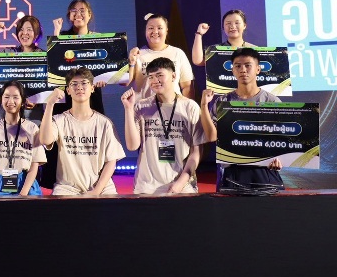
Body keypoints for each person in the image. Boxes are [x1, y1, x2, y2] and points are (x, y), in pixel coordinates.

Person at [200, 47, 283, 192]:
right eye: (238, 66)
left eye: (248, 65)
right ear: (233, 71)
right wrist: (203, 105)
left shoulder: (272, 101)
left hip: (264, 170)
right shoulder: (223, 101)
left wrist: (279, 159)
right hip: (232, 171)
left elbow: (282, 139)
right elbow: (212, 136)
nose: (243, 70)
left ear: (258, 69)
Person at [121, 57, 205, 194]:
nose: (155, 81)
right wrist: (128, 109)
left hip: (182, 186)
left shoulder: (190, 107)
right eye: (151, 77)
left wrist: (181, 183)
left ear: (173, 76)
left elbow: (196, 152)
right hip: (147, 186)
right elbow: (132, 146)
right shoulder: (141, 107)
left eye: (160, 75)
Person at [39, 68, 125, 196]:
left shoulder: (104, 123)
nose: (79, 87)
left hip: (101, 187)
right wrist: (50, 104)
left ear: (92, 88)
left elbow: (111, 161)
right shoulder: (59, 120)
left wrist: (96, 191)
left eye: (84, 83)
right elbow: (45, 140)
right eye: (74, 84)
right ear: (68, 90)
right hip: (67, 187)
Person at [51, 0, 107, 114]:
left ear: (89, 15)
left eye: (82, 10)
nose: (78, 14)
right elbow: (55, 64)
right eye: (74, 11)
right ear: (69, 16)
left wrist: (104, 77)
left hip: (91, 96)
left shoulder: (98, 39)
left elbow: (105, 66)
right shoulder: (62, 36)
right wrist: (56, 32)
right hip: (66, 95)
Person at [127, 13, 195, 102]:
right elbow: (125, 82)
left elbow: (187, 86)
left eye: (159, 28)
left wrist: (187, 107)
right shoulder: (136, 55)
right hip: (144, 108)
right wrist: (131, 62)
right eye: (151, 28)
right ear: (145, 31)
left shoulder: (177, 53)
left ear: (166, 31)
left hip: (173, 108)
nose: (155, 32)